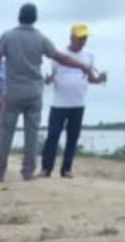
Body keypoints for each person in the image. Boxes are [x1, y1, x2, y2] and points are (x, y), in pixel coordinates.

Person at [0, 3, 98, 182]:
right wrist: (83, 66)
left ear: (19, 16)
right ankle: (28, 172)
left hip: (14, 91)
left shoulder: (8, 37)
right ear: (35, 19)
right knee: (31, 134)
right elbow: (60, 57)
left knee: (6, 133)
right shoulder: (41, 38)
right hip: (34, 92)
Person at [41, 23, 107, 177]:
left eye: (85, 38)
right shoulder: (59, 54)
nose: (83, 41)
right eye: (80, 37)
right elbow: (49, 78)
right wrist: (48, 80)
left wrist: (100, 78)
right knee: (53, 137)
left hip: (78, 104)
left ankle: (66, 169)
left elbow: (91, 79)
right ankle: (46, 169)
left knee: (73, 138)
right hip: (59, 104)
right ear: (71, 37)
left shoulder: (89, 56)